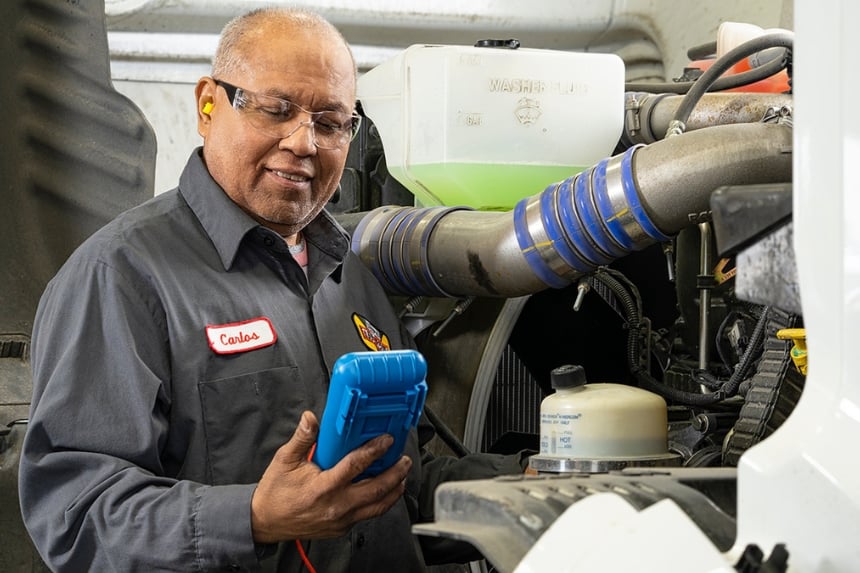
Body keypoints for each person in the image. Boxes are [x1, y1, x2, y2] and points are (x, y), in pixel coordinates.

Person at [19, 7, 526, 573]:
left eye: (330, 122)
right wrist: (255, 517)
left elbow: (392, 491)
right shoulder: (120, 279)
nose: (304, 142)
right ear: (209, 104)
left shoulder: (349, 274)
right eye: (277, 109)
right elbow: (76, 514)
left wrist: (540, 479)